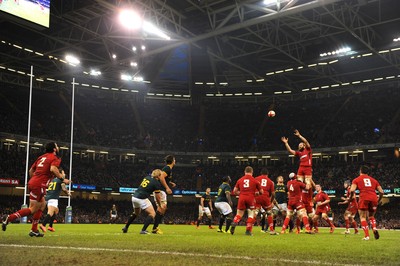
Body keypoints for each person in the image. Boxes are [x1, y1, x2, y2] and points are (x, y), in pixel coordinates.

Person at [2, 142, 70, 237]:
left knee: (42, 204)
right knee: (33, 209)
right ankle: (9, 218)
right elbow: (53, 169)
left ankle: (34, 229)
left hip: (34, 182)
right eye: (57, 146)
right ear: (54, 149)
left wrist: (34, 180)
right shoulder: (55, 158)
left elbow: (31, 170)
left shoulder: (41, 157)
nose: (58, 148)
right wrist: (63, 179)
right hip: (39, 185)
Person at [122, 169, 163, 234]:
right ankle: (143, 230)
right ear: (158, 176)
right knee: (152, 214)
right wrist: (160, 205)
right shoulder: (156, 183)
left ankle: (125, 227)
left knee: (136, 213)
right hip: (141, 198)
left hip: (134, 197)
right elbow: (158, 197)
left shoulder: (147, 177)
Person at [350, 165, 384, 240]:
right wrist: (378, 200)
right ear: (368, 172)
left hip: (364, 197)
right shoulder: (374, 180)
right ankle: (374, 228)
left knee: (362, 217)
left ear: (360, 171)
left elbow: (352, 190)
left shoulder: (356, 179)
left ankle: (367, 236)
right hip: (374, 198)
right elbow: (381, 192)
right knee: (371, 216)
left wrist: (350, 197)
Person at [230, 166, 263, 236]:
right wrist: (256, 193)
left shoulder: (240, 180)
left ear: (245, 172)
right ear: (252, 172)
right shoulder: (255, 181)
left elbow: (234, 191)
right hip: (251, 198)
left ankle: (235, 221)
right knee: (251, 215)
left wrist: (241, 193)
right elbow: (261, 192)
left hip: (242, 197)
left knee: (239, 214)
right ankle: (248, 231)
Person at [152, 155, 176, 234]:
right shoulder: (167, 168)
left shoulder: (169, 169)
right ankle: (155, 227)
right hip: (160, 190)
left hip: (161, 190)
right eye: (174, 160)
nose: (175, 161)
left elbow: (163, 178)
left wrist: (170, 183)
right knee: (162, 208)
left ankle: (155, 227)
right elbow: (161, 177)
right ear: (172, 161)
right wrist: (167, 187)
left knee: (163, 208)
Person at [254, 168, 276, 235]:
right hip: (265, 198)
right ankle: (272, 230)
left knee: (255, 213)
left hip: (257, 197)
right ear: (267, 174)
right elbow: (273, 194)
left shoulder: (256, 179)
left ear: (261, 173)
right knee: (269, 213)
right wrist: (271, 201)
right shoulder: (270, 181)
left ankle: (249, 229)